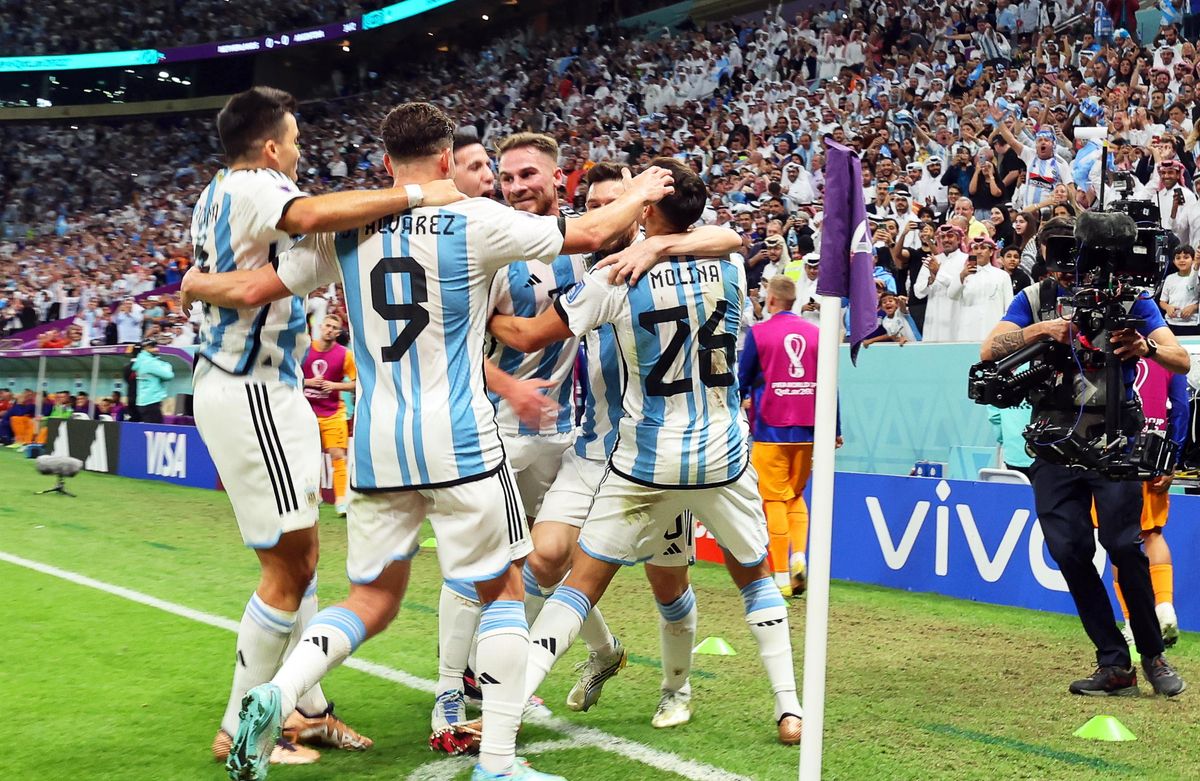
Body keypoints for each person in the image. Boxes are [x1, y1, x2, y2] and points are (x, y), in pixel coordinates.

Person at [185, 100, 675, 781]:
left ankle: (272, 695)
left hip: (378, 442)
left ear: (388, 166)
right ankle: (499, 765)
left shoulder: (346, 231)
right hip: (461, 438)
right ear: (447, 162)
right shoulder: (477, 219)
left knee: (369, 599)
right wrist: (646, 192)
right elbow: (592, 231)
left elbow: (254, 284)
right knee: (502, 589)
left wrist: (195, 282)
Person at [183, 86, 461, 769]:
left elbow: (269, 268)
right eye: (297, 139)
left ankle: (306, 706)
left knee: (301, 562)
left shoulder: (223, 192)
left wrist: (198, 284)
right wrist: (417, 196)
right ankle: (238, 726)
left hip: (267, 389)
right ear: (271, 146)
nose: (302, 150)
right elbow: (305, 217)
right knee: (291, 565)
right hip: (251, 391)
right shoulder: (255, 184)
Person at [489, 157, 803, 745]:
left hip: (643, 458)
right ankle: (789, 709)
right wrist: (663, 245)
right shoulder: (730, 268)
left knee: (581, 585)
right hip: (721, 453)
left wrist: (481, 321)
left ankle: (503, 711)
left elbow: (532, 335)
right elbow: (731, 236)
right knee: (755, 577)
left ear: (648, 211)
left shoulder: (614, 276)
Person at [980, 216, 1188, 698]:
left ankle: (1152, 655)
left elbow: (1181, 360)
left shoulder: (1135, 299)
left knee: (1122, 545)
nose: (1074, 268)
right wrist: (1041, 330)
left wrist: (1145, 345)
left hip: (1115, 433)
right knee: (1068, 550)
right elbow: (990, 348)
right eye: (1062, 256)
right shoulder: (1033, 297)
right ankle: (1114, 661)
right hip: (1053, 439)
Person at [738, 275, 829, 597]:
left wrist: (741, 398)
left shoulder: (759, 333)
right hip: (807, 429)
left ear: (772, 300)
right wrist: (836, 428)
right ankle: (800, 557)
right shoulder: (817, 334)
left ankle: (779, 575)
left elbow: (742, 378)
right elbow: (830, 384)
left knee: (773, 498)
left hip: (770, 427)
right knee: (795, 495)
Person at [301, 314, 356, 515]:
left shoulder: (345, 355)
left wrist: (334, 386)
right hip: (306, 412)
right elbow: (291, 376)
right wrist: (308, 382)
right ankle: (313, 497)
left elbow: (356, 382)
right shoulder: (305, 349)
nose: (330, 330)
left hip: (333, 412)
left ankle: (341, 500)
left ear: (338, 332)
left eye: (334, 327)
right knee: (306, 458)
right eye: (327, 326)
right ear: (321, 327)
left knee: (337, 455)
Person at [949, 236, 1014, 341]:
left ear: (991, 252)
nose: (979, 252)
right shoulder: (964, 274)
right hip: (968, 332)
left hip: (994, 330)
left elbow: (1009, 306)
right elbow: (951, 295)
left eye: (983, 248)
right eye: (976, 248)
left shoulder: (1002, 275)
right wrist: (962, 276)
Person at [1157, 244, 1200, 335]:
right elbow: (1162, 301)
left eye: (1186, 257)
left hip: (1192, 324)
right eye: (1178, 258)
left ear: (1192, 260)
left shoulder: (1197, 277)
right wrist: (1168, 307)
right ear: (1173, 261)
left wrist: (1194, 307)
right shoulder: (1169, 278)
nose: (1182, 260)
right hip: (1171, 323)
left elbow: (1193, 286)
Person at [129, 339, 174, 423]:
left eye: (155, 346)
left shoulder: (141, 361)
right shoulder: (149, 362)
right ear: (145, 349)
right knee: (156, 430)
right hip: (151, 401)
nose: (156, 349)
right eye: (152, 347)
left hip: (143, 401)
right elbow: (169, 375)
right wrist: (167, 365)